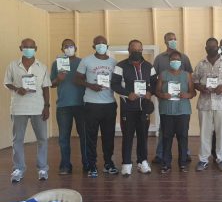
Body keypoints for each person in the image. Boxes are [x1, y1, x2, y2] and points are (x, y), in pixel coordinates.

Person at [4, 38, 52, 182]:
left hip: (38, 107)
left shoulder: (42, 66)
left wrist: (47, 106)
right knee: (17, 139)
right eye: (26, 47)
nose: (28, 49)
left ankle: (42, 168)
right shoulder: (13, 65)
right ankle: (18, 168)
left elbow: (46, 87)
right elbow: (6, 83)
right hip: (18, 108)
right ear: (21, 48)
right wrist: (17, 89)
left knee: (42, 139)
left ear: (35, 48)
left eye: (31, 47)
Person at [111, 39, 156, 176]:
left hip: (144, 108)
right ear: (129, 50)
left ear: (142, 50)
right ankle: (126, 163)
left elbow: (155, 83)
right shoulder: (120, 66)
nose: (136, 52)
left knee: (143, 136)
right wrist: (127, 94)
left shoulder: (149, 66)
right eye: (133, 50)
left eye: (139, 50)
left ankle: (142, 162)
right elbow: (115, 84)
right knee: (128, 136)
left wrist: (150, 92)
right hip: (128, 108)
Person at [74, 35, 118, 178]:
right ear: (93, 46)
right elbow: (77, 79)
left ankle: (108, 163)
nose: (101, 45)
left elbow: (118, 82)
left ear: (107, 46)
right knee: (91, 136)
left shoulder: (114, 62)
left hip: (109, 104)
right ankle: (92, 165)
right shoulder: (86, 60)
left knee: (109, 136)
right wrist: (90, 85)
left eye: (103, 43)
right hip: (91, 104)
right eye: (98, 44)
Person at [193, 37, 222, 172]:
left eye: (213, 46)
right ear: (205, 48)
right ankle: (203, 159)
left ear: (218, 47)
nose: (211, 48)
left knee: (221, 132)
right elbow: (194, 81)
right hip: (205, 104)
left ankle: (221, 159)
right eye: (209, 47)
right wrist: (201, 88)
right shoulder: (201, 64)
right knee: (204, 133)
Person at [153, 32, 193, 164]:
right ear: (165, 41)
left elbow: (189, 79)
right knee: (165, 132)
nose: (173, 41)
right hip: (166, 101)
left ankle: (184, 155)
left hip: (182, 103)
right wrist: (161, 94)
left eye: (175, 39)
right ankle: (161, 155)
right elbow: (154, 78)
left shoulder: (184, 58)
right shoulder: (159, 59)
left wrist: (187, 94)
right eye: (170, 39)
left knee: (182, 133)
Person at [50, 39, 87, 175]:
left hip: (81, 105)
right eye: (66, 46)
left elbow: (88, 81)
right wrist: (58, 78)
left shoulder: (82, 62)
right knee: (63, 138)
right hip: (63, 106)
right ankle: (65, 165)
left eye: (71, 46)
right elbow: (52, 84)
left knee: (84, 136)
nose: (68, 48)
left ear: (75, 48)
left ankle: (87, 164)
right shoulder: (56, 64)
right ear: (62, 49)